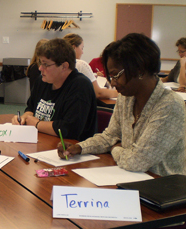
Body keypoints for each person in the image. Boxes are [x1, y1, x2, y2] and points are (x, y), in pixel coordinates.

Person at [58, 33, 186, 177]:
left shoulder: (169, 105)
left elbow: (137, 161)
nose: (112, 83)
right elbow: (109, 136)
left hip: (163, 190)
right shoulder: (127, 98)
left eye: (115, 76)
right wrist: (80, 147)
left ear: (139, 70)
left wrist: (114, 148)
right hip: (130, 178)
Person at [12, 38, 97, 141]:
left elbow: (69, 129)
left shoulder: (80, 86)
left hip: (70, 149)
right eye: (40, 63)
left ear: (64, 66)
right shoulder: (43, 81)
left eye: (46, 64)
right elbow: (31, 108)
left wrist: (37, 124)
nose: (40, 68)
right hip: (43, 142)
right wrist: (24, 117)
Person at [63, 33, 118, 100]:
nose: (82, 52)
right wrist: (118, 93)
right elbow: (98, 93)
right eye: (82, 48)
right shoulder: (80, 64)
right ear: (74, 48)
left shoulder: (58, 64)